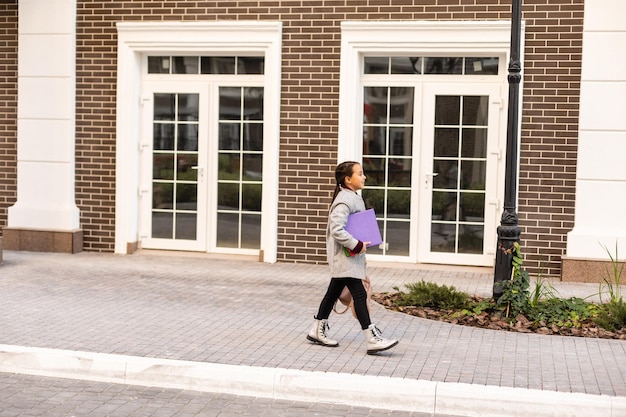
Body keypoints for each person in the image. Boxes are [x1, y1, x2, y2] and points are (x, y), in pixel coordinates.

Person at [306, 161, 399, 355]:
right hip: (345, 257)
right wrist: (357, 245)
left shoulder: (352, 198)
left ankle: (316, 329)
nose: (364, 177)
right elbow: (337, 229)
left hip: (349, 257)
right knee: (359, 295)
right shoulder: (344, 200)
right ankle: (372, 337)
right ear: (348, 179)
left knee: (333, 293)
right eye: (360, 173)